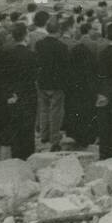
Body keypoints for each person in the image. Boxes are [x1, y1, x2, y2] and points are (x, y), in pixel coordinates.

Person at [0, 22, 39, 159]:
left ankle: (16, 156)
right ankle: (28, 157)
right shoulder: (32, 55)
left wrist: (9, 94)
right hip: (28, 94)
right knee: (28, 129)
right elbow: (35, 76)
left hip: (13, 95)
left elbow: (3, 77)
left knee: (15, 128)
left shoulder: (7, 54)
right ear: (26, 36)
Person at [34, 18, 69, 148]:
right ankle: (54, 138)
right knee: (56, 111)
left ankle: (44, 135)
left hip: (42, 80)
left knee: (43, 109)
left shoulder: (39, 44)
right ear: (59, 31)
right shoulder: (62, 47)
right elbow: (65, 66)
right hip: (57, 83)